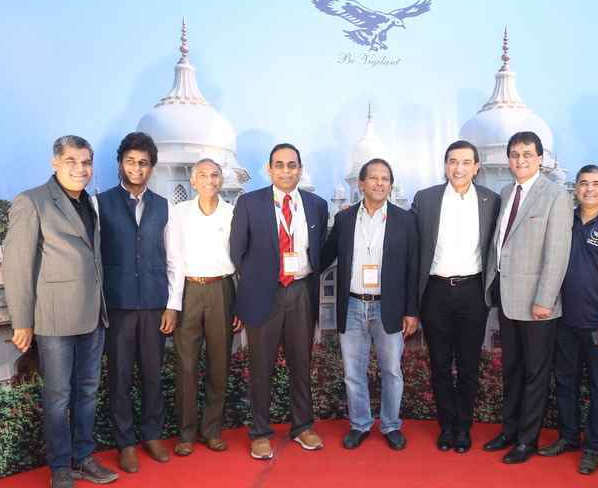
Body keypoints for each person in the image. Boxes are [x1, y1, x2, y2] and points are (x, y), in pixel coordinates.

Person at [2, 135, 117, 488]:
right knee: (57, 397)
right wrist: (22, 321)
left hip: (93, 314)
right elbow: (17, 265)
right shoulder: (31, 201)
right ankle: (60, 468)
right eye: (71, 161)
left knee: (87, 392)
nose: (80, 169)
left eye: (86, 162)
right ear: (55, 162)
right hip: (54, 319)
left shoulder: (89, 203)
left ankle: (83, 458)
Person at [231, 143, 329, 460]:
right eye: (280, 165)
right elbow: (237, 251)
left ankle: (303, 427)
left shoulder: (316, 205)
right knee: (261, 367)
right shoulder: (249, 203)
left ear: (300, 169)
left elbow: (320, 250)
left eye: (292, 165)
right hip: (265, 294)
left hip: (301, 292)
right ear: (269, 169)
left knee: (301, 364)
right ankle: (260, 432)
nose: (286, 170)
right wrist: (261, 281)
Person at [482, 131, 573, 464]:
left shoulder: (556, 196)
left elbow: (557, 253)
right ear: (508, 159)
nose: (521, 160)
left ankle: (527, 440)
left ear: (540, 158)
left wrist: (545, 298)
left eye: (527, 154)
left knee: (536, 374)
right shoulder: (507, 192)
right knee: (512, 370)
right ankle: (509, 430)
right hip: (507, 299)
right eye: (515, 154)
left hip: (538, 304)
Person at [320, 159, 419, 450]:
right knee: (353, 372)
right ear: (361, 183)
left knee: (392, 372)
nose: (379, 183)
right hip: (352, 305)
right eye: (373, 178)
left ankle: (391, 425)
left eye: (385, 178)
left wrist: (411, 311)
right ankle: (360, 424)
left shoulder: (405, 220)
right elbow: (325, 256)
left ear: (391, 185)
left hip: (389, 307)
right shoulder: (345, 219)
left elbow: (413, 268)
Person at [542, 165, 598, 475]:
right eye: (583, 183)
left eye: (596, 184)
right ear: (575, 188)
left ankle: (593, 448)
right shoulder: (565, 221)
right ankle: (568, 437)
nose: (589, 189)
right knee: (565, 382)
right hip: (564, 319)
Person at [412, 140, 501, 453]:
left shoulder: (491, 200)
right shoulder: (426, 199)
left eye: (465, 162)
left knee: (468, 365)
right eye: (452, 161)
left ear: (476, 167)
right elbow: (409, 240)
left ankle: (463, 427)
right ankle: (446, 426)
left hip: (473, 292)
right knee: (439, 364)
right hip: (435, 291)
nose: (458, 168)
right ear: (445, 165)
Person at [97, 131, 173, 473]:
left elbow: (171, 257)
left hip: (155, 304)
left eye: (143, 163)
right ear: (120, 164)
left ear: (152, 167)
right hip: (119, 305)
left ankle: (152, 435)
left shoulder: (163, 206)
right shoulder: (101, 204)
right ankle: (125, 442)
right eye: (130, 162)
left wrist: (171, 305)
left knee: (153, 374)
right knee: (120, 377)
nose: (137, 168)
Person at [167, 158, 236, 456]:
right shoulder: (179, 213)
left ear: (221, 180)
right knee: (186, 365)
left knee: (219, 364)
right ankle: (186, 433)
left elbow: (241, 259)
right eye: (203, 175)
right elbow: (174, 259)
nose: (210, 180)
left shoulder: (232, 213)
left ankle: (212, 430)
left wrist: (239, 305)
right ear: (193, 181)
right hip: (188, 291)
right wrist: (172, 304)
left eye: (215, 175)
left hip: (222, 289)